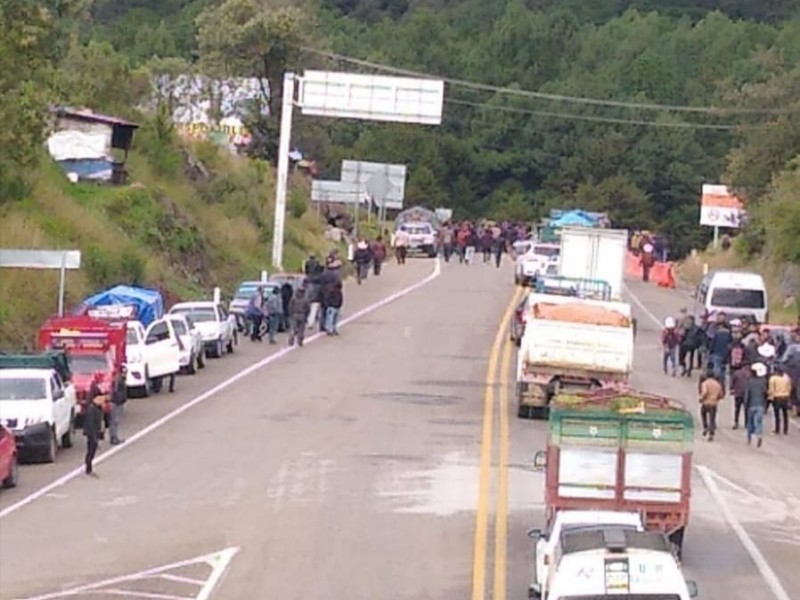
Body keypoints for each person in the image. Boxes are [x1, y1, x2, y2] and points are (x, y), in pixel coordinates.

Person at [84, 374, 106, 477]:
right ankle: (88, 469)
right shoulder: (92, 409)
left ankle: (89, 468)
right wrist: (94, 436)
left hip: (94, 433)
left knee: (92, 450)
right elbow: (91, 424)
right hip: (92, 433)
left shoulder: (96, 408)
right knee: (91, 450)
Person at [745, 362, 769, 447]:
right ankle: (759, 436)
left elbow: (747, 394)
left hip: (751, 404)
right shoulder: (763, 382)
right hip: (761, 404)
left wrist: (746, 404)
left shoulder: (750, 382)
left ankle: (749, 438)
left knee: (750, 422)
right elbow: (766, 393)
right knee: (758, 422)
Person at [699, 366, 724, 441]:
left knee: (703, 414)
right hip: (713, 403)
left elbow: (704, 392)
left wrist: (701, 398)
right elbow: (721, 394)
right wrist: (717, 398)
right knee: (712, 418)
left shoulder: (705, 383)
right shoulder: (717, 384)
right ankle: (711, 433)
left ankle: (705, 427)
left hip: (706, 403)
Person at [768, 364, 792, 435]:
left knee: (777, 414)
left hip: (777, 397)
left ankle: (777, 429)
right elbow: (789, 387)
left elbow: (771, 389)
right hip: (785, 396)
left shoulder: (773, 378)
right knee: (785, 414)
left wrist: (771, 397)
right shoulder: (787, 377)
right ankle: (785, 430)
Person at [108, 366, 127, 445]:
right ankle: (113, 437)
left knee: (115, 421)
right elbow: (115, 391)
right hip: (117, 402)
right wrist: (120, 398)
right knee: (115, 421)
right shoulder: (118, 379)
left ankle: (114, 437)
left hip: (118, 402)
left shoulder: (120, 379)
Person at [730, 364, 750, 430]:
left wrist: (732, 389)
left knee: (737, 409)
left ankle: (736, 423)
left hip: (738, 393)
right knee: (746, 409)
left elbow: (732, 382)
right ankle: (747, 423)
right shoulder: (749, 373)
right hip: (746, 393)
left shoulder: (736, 373)